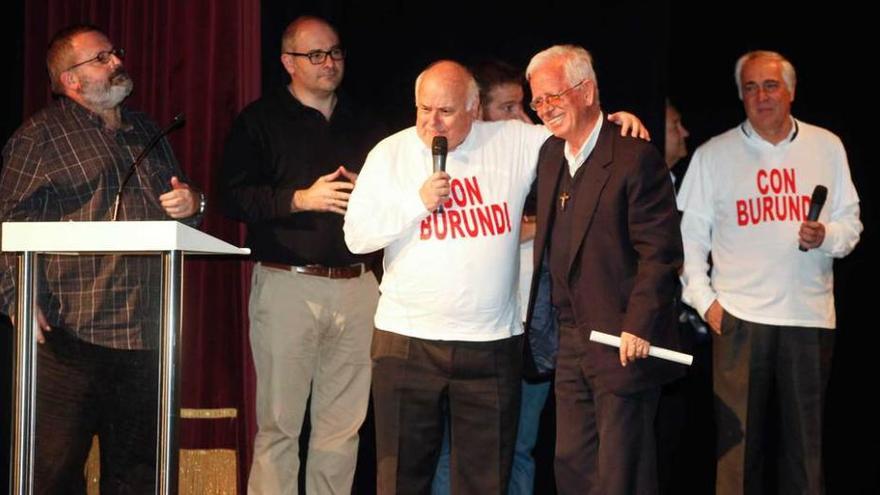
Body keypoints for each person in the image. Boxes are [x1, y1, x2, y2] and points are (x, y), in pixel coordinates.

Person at [345, 59, 647, 494]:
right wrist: (417, 202)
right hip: (406, 340)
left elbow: (579, 135)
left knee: (487, 478)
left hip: (490, 346)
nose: (432, 121)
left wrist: (613, 120)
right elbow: (356, 237)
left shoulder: (511, 141)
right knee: (400, 477)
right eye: (423, 109)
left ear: (474, 109)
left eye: (445, 111)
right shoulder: (389, 153)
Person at [0, 24, 203, 492]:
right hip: (70, 333)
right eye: (101, 58)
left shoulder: (148, 130)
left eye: (115, 54)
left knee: (138, 477)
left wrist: (193, 204)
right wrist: (15, 296)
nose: (117, 62)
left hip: (148, 333)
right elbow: (8, 220)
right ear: (70, 80)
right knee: (51, 474)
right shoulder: (40, 137)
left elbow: (183, 204)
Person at [677, 50, 862, 495]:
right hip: (739, 318)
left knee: (805, 452)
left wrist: (828, 235)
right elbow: (687, 238)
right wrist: (705, 301)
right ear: (741, 95)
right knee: (736, 454)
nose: (761, 96)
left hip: (808, 317)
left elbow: (851, 224)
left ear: (791, 91)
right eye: (751, 87)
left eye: (771, 85)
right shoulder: (713, 154)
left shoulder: (827, 146)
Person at [220, 15, 384, 494]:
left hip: (357, 288)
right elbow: (233, 198)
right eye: (315, 55)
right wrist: (299, 199)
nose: (329, 63)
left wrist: (372, 193)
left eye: (335, 53)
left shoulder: (367, 122)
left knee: (342, 429)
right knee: (279, 427)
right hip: (288, 284)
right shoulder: (258, 121)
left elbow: (393, 203)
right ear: (288, 62)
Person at [525, 44, 684, 495]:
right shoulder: (551, 156)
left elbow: (661, 253)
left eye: (553, 96)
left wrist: (639, 327)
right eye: (537, 101)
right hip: (570, 339)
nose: (545, 110)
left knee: (621, 472)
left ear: (587, 90)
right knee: (572, 464)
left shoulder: (635, 156)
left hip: (622, 341)